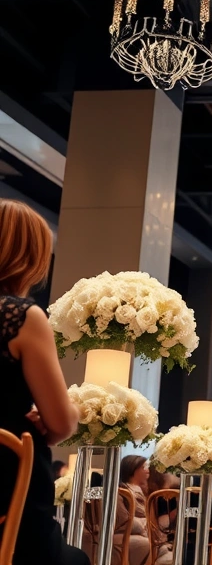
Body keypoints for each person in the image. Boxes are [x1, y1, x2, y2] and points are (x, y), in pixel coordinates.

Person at [0, 199, 89, 565]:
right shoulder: (21, 316)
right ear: (31, 257)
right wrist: (54, 420)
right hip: (7, 496)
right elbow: (62, 423)